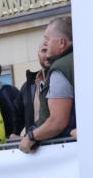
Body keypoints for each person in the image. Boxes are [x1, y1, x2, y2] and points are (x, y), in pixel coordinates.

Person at [21, 16, 75, 153]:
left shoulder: (61, 68)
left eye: (47, 39)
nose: (45, 44)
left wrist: (31, 137)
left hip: (64, 151)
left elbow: (57, 122)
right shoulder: (81, 58)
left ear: (61, 43)